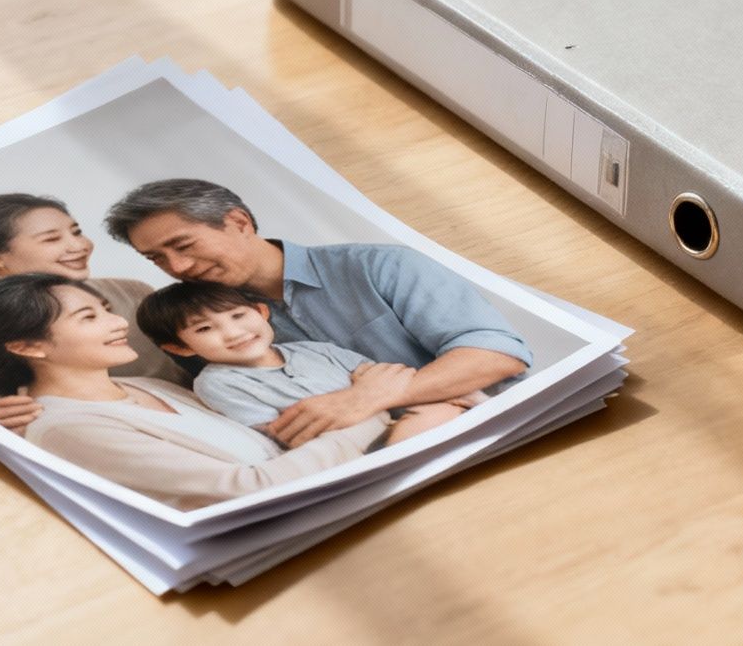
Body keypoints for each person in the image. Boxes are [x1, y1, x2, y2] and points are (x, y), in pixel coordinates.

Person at [103, 179, 531, 449]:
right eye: (157, 258)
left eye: (184, 245)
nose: (177, 269)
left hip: (504, 431)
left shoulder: (380, 266)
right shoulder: (202, 329)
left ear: (238, 222)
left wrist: (371, 396)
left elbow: (496, 355)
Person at [0, 273, 399, 509]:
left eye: (105, 309)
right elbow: (248, 488)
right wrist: (373, 408)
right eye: (89, 317)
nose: (118, 321)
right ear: (27, 346)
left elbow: (282, 444)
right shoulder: (65, 428)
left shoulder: (147, 385)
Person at [0, 193, 185, 430]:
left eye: (76, 232)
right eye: (52, 239)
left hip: (187, 417)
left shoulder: (132, 292)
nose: (79, 246)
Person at [136, 280, 471, 449]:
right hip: (350, 448)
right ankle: (400, 464)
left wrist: (379, 395)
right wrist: (371, 400)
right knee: (438, 413)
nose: (233, 332)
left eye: (238, 315)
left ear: (262, 313)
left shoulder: (316, 350)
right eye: (205, 329)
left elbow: (387, 379)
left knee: (442, 405)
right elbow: (284, 434)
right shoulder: (217, 383)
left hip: (397, 424)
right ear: (179, 347)